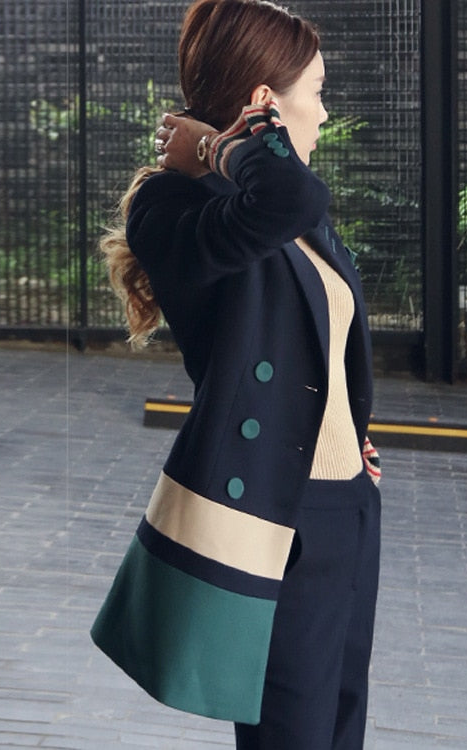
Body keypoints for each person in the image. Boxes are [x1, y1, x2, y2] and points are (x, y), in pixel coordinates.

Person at [91, 1, 382, 748]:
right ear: (262, 104)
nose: (325, 113)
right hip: (276, 518)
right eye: (316, 92)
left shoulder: (285, 209)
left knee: (340, 728)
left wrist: (345, 436)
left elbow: (319, 336)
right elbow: (290, 195)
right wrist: (220, 148)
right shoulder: (173, 205)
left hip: (347, 505)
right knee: (292, 737)